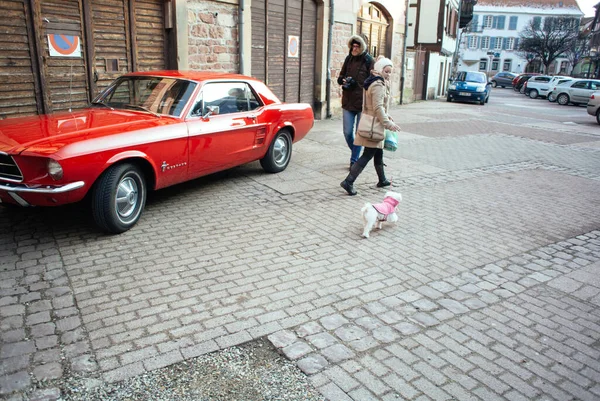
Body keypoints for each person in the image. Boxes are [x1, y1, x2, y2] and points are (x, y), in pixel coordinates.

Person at [340, 57, 401, 196]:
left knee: (378, 153)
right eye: (386, 71)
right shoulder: (378, 85)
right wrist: (388, 123)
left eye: (390, 72)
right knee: (367, 154)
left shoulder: (374, 81)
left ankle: (382, 179)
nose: (388, 74)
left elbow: (378, 107)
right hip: (374, 125)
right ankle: (348, 181)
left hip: (373, 122)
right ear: (380, 70)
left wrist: (387, 116)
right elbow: (378, 107)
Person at [337, 35, 374, 169]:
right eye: (353, 46)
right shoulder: (349, 58)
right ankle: (356, 153)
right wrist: (344, 80)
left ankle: (354, 161)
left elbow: (373, 80)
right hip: (347, 101)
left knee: (359, 134)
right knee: (347, 132)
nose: (354, 48)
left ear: (362, 47)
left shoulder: (369, 60)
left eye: (357, 46)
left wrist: (360, 84)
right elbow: (340, 76)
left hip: (362, 103)